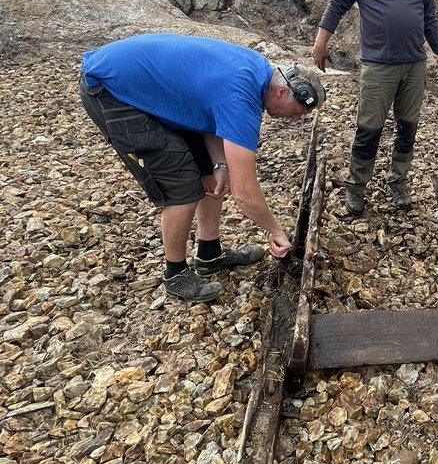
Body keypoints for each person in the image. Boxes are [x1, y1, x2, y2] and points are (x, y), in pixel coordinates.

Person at [79, 32, 325, 303]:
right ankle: (175, 274)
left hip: (148, 85)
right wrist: (275, 231)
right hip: (112, 90)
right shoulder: (241, 99)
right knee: (182, 184)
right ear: (281, 91)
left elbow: (210, 111)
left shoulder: (258, 70)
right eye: (296, 111)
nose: (293, 119)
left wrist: (219, 165)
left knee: (209, 173)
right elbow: (244, 192)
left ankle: (209, 254)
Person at [312, 0, 438, 215]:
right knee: (369, 128)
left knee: (408, 127)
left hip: (414, 63)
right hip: (378, 65)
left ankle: (398, 183)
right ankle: (357, 187)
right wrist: (321, 41)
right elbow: (339, 0)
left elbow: (428, 15)